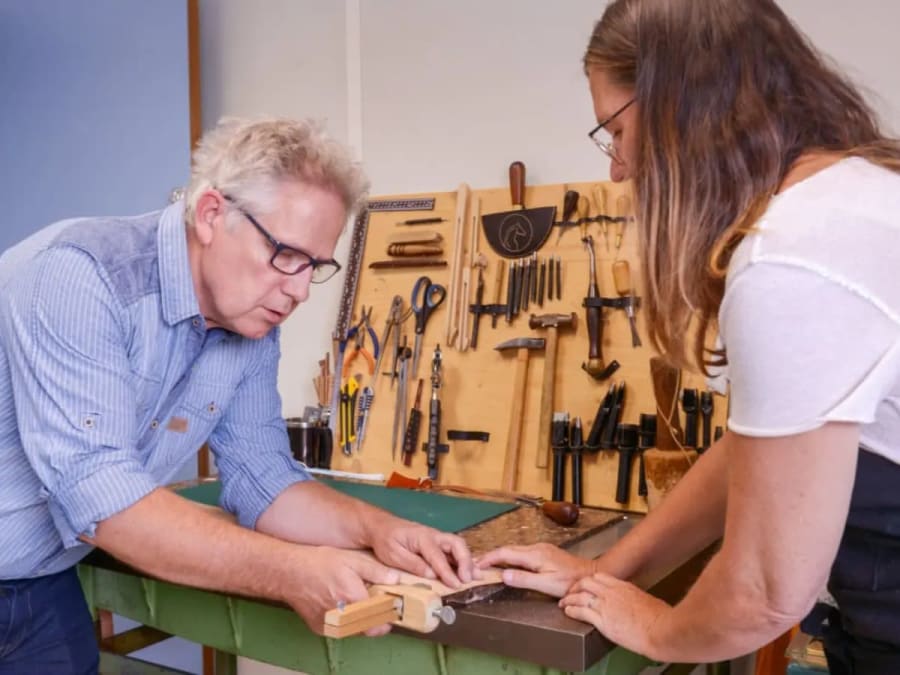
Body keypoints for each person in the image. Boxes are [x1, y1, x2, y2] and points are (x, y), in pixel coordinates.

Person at [479, 1, 900, 672]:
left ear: (683, 109)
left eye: (615, 129)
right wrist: (607, 575)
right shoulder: (855, 195)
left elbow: (764, 592)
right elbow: (754, 454)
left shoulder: (792, 257)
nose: (617, 165)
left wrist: (657, 627)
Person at [0, 117, 474, 674]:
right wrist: (293, 571)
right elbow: (100, 498)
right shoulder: (83, 277)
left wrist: (381, 531)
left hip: (37, 585)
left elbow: (262, 478)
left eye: (315, 267)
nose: (298, 290)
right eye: (287, 255)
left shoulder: (249, 325)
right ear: (211, 215)